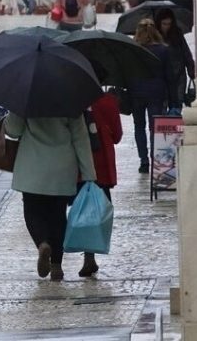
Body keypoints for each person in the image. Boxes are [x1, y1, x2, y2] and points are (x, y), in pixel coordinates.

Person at [4, 112, 96, 282]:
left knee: (32, 211)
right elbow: (80, 138)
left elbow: (13, 130)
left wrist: (12, 112)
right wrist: (89, 173)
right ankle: (56, 266)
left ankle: (42, 243)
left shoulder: (26, 97)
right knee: (58, 216)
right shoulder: (69, 100)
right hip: (62, 167)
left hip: (32, 167)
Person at [78, 62, 123, 278]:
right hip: (102, 166)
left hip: (78, 164)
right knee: (97, 209)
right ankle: (90, 255)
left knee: (80, 208)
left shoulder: (74, 100)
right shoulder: (108, 102)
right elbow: (117, 136)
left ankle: (57, 254)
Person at [131, 19, 176, 173]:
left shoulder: (133, 50)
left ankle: (143, 160)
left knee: (139, 126)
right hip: (157, 93)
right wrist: (174, 100)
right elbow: (170, 76)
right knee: (154, 128)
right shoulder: (163, 50)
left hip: (136, 92)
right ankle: (155, 158)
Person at [155, 8, 195, 116]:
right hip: (161, 77)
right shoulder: (154, 36)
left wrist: (191, 70)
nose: (166, 26)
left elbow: (186, 53)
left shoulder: (177, 34)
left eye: (169, 24)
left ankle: (173, 131)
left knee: (176, 107)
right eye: (164, 24)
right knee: (161, 108)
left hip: (178, 75)